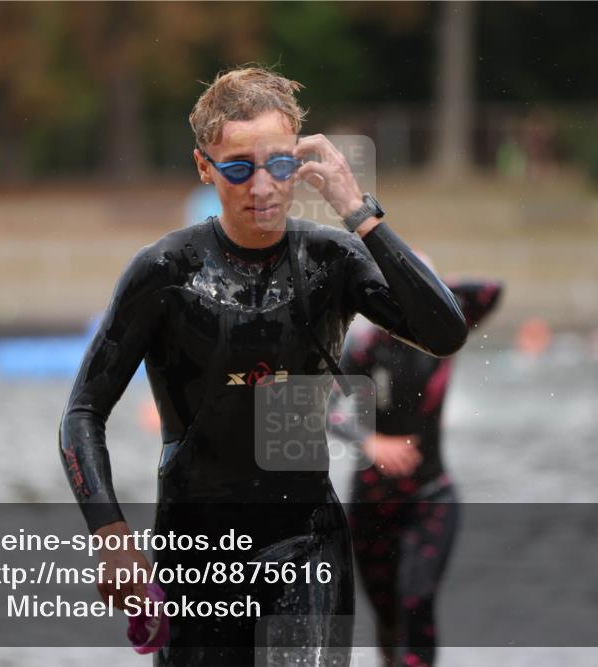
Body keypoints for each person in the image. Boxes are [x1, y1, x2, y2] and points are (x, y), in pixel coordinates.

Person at [58, 65, 469, 666]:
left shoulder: (332, 261)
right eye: (237, 169)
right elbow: (82, 413)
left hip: (306, 543)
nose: (263, 187)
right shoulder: (165, 272)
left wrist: (358, 211)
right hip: (196, 551)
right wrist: (110, 535)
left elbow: (446, 332)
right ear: (204, 167)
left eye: (278, 165)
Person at [327, 269, 503, 667]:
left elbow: (492, 292)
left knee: (416, 599)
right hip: (372, 505)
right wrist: (368, 441)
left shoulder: (443, 334)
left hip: (430, 497)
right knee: (389, 618)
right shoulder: (365, 347)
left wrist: (420, 277)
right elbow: (317, 407)